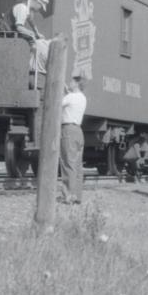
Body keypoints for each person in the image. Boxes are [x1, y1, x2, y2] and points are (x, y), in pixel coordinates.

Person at [59, 74, 88, 204]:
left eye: (71, 81)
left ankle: (68, 196)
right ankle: (77, 196)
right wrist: (67, 92)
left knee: (67, 164)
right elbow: (71, 102)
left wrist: (62, 92)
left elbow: (58, 104)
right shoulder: (83, 98)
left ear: (76, 83)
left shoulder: (70, 97)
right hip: (78, 131)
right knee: (77, 165)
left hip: (68, 130)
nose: (70, 83)